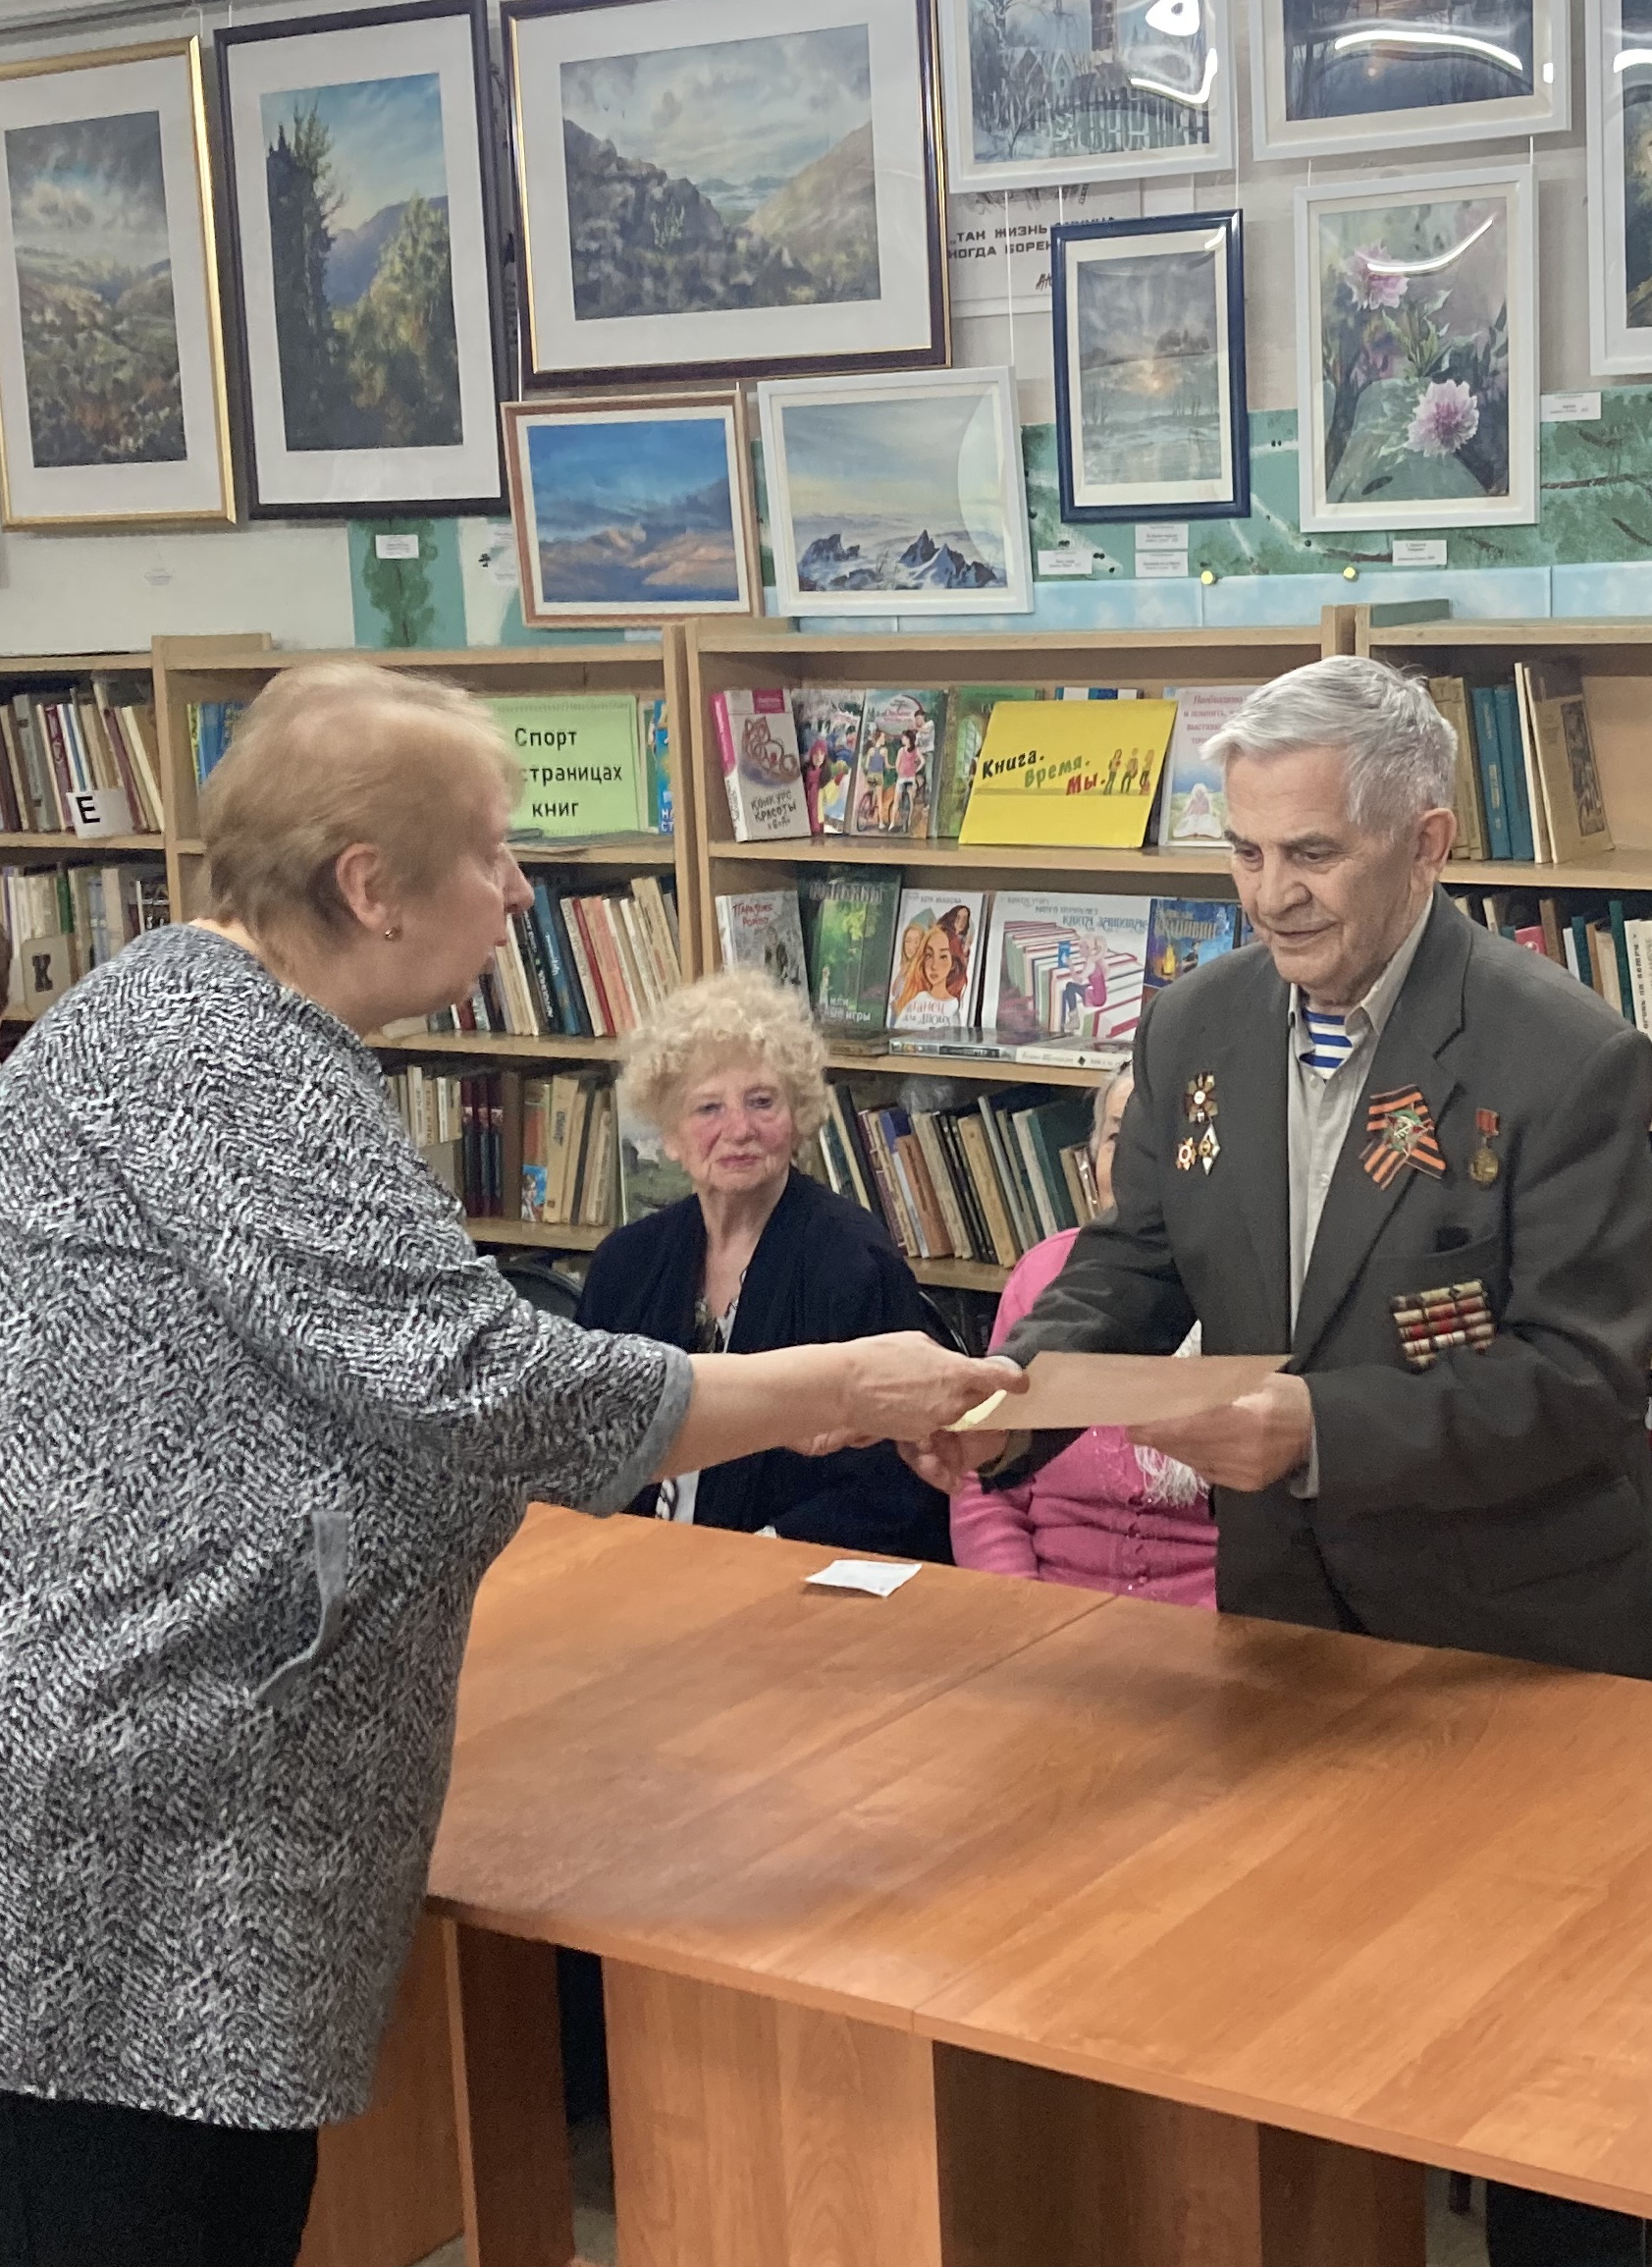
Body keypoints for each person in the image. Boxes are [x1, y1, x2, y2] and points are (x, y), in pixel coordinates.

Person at [0, 661, 1015, 2267]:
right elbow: (475, 1384)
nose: (521, 888)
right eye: (490, 850)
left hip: (170, 1785)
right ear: (371, 885)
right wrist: (836, 1383)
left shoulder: (175, 1016)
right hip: (158, 1819)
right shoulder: (230, 1059)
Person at [910, 652, 1652, 2267]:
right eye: (1244, 851)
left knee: (1542, 2077)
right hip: (1284, 1637)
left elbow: (1584, 1380)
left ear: (1426, 840)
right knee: (1307, 2044)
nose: (1270, 895)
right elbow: (1130, 1265)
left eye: (1312, 852)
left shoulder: (1567, 1053)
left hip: (1510, 1653)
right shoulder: (1197, 1019)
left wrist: (1318, 1428)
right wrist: (1006, 1398)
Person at [575, 968, 953, 1559]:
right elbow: (582, 1442)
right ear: (670, 1134)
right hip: (630, 1563)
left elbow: (892, 1487)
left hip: (786, 1569)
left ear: (797, 1114)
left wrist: (753, 1556)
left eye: (761, 1102)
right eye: (708, 1108)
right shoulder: (625, 1263)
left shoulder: (853, 1262)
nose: (739, 1130)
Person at [952, 1067, 1215, 1604]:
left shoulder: (1261, 1296)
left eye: (1159, 1140)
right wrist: (1020, 1609)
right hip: (1044, 1608)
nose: (1139, 1161)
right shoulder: (1041, 1277)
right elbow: (985, 1491)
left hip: (1214, 1620)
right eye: (1120, 1138)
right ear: (1089, 1160)